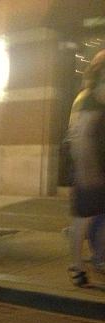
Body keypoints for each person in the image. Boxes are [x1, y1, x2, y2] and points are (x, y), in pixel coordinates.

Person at [67, 49, 105, 286]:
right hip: (89, 172)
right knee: (83, 221)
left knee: (98, 219)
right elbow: (79, 139)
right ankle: (77, 266)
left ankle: (98, 259)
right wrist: (88, 173)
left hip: (98, 171)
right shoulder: (88, 99)